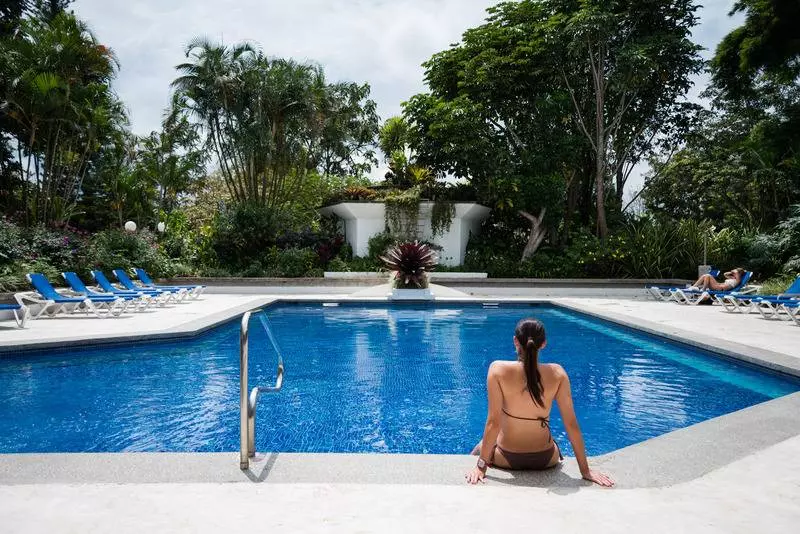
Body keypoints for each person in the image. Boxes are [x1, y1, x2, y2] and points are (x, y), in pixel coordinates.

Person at [466, 318, 613, 487]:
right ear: (543, 344)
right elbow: (571, 425)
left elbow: (493, 423)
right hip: (546, 459)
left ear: (515, 341)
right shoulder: (558, 373)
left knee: (483, 444)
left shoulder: (497, 370)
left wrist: (481, 468)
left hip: (505, 458)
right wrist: (585, 471)